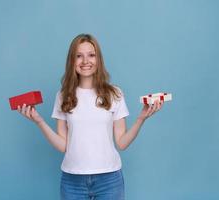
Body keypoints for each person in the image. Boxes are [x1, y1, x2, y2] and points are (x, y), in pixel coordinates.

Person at [17, 33, 163, 200]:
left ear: (98, 59)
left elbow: (122, 142)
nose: (85, 61)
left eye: (91, 55)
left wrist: (141, 119)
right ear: (72, 61)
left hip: (109, 179)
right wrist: (39, 122)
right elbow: (63, 145)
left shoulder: (114, 93)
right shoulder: (63, 96)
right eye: (79, 56)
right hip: (72, 180)